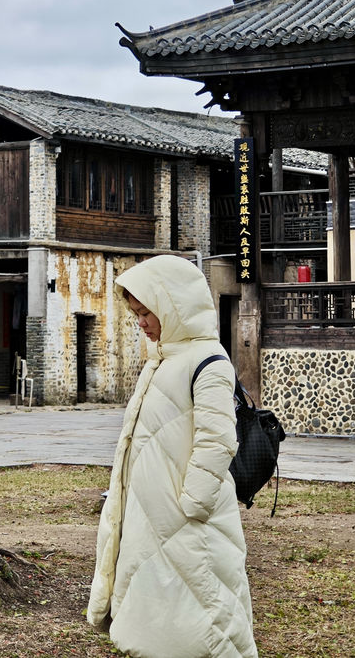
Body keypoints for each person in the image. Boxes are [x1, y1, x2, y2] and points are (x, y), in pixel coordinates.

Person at [87, 254, 257, 658]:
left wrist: (192, 504)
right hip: (152, 512)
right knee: (159, 612)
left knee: (206, 609)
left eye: (147, 313)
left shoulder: (208, 362)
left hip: (189, 516)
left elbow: (217, 439)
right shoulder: (160, 361)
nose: (141, 323)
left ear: (172, 306)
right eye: (136, 314)